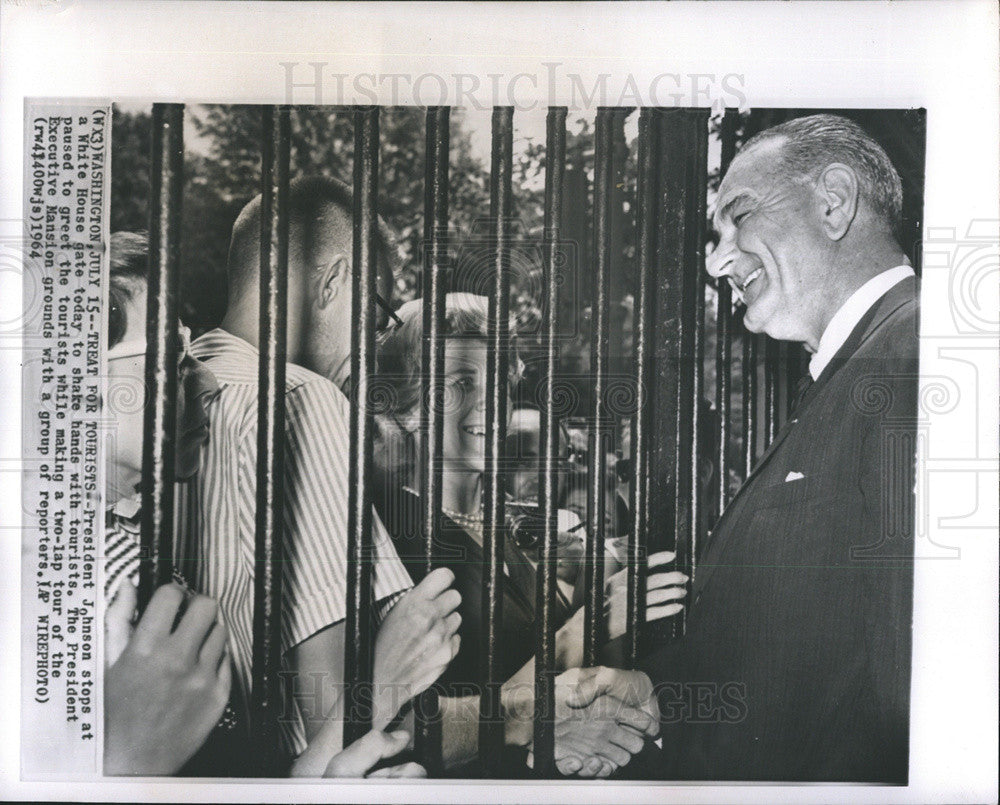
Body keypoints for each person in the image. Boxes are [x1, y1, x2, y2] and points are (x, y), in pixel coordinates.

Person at [642, 114, 919, 782]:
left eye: (738, 217)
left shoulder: (916, 359)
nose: (716, 259)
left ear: (833, 201)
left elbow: (911, 703)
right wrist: (659, 701)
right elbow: (815, 656)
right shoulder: (855, 370)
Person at [104, 231, 442, 778]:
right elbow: (329, 720)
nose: (204, 380)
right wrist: (386, 684)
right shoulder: (304, 402)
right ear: (334, 281)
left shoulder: (123, 534)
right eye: (379, 317)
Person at [373, 292, 687, 776]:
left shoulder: (505, 530)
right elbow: (401, 730)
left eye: (500, 382)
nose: (491, 403)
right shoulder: (392, 539)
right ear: (411, 408)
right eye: (462, 382)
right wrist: (594, 621)